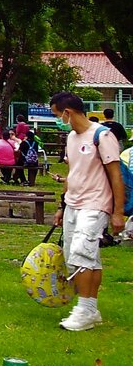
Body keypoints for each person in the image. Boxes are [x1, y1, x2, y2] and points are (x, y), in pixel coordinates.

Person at [49, 91, 125, 331]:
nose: (59, 120)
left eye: (57, 115)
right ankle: (90, 308)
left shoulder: (103, 136)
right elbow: (72, 175)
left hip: (95, 203)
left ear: (68, 113)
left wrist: (118, 212)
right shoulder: (72, 138)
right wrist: (62, 206)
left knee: (82, 252)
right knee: (80, 256)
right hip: (73, 203)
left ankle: (84, 309)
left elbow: (116, 176)